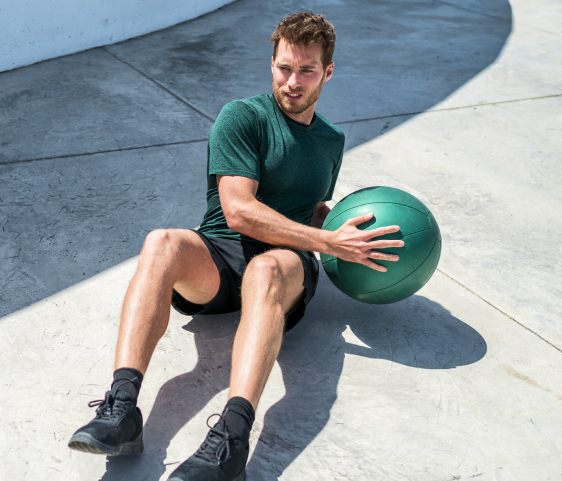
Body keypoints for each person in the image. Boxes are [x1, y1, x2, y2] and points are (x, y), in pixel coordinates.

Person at [67, 12, 403, 481]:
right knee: (161, 241)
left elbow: (310, 206)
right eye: (284, 68)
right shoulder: (243, 116)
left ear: (327, 72)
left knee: (266, 271)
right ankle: (121, 408)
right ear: (271, 64)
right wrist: (329, 240)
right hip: (222, 254)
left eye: (307, 70)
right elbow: (239, 210)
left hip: (284, 266)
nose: (292, 81)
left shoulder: (332, 140)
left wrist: (348, 229)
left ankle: (230, 442)